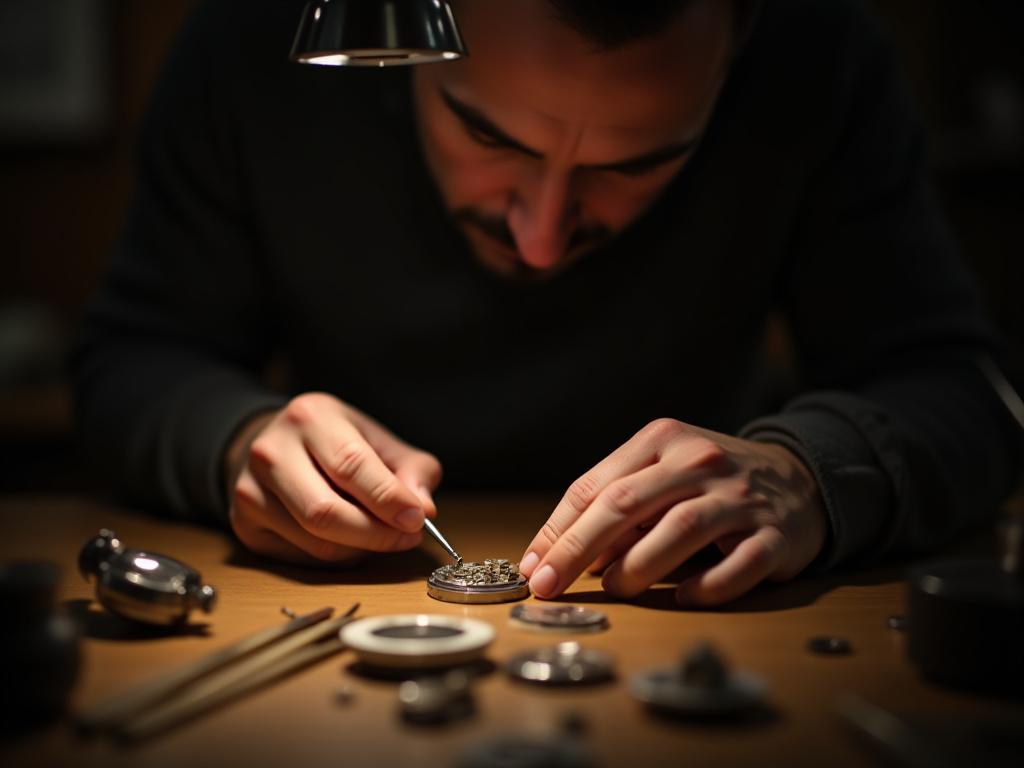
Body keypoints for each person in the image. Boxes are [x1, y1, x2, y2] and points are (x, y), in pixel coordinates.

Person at [74, 0, 1022, 607]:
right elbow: (129, 363)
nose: (541, 238)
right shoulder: (264, 36)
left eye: (638, 167)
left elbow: (970, 394)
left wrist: (811, 473)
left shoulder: (822, 54)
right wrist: (236, 441)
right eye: (487, 134)